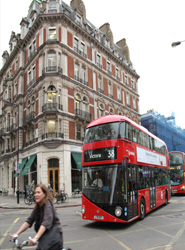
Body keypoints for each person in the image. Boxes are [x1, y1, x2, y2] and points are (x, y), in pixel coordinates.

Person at [11, 184, 63, 250]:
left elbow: (46, 222)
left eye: (38, 192)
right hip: (45, 238)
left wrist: (36, 238)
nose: (36, 195)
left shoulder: (47, 204)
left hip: (53, 238)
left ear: (44, 194)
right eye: (35, 193)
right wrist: (17, 234)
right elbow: (29, 220)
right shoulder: (38, 206)